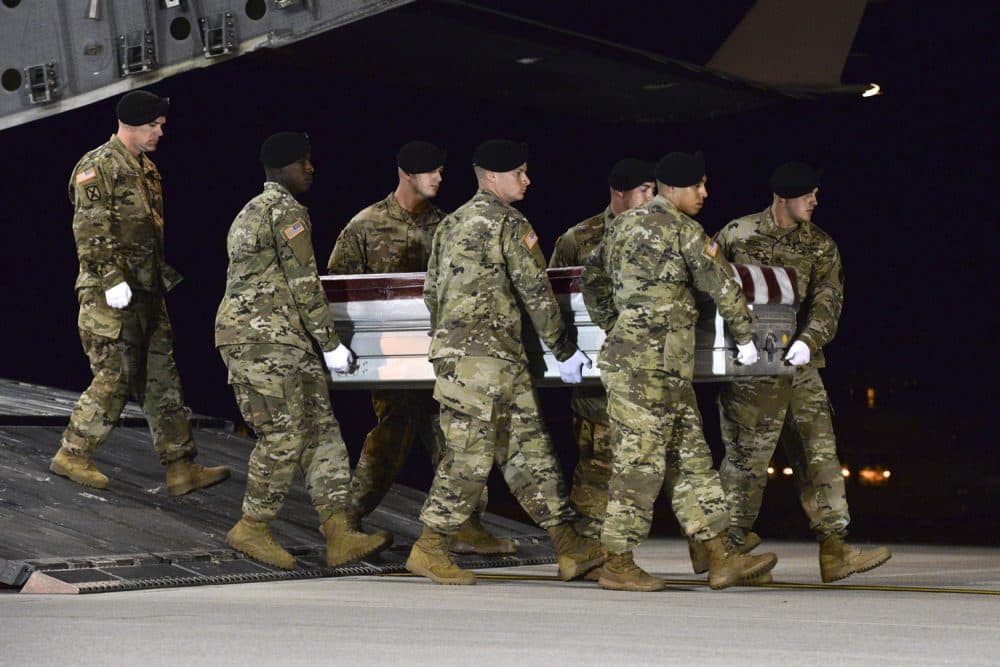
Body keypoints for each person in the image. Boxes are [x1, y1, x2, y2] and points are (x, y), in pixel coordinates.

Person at [406, 139, 602, 585]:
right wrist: (565, 350)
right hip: (485, 360)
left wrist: (451, 341)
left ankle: (569, 546)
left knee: (528, 451)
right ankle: (430, 546)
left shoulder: (450, 225)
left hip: (480, 358)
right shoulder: (509, 223)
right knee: (470, 455)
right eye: (521, 173)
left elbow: (432, 292)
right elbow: (536, 291)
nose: (527, 181)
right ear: (493, 177)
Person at [581, 151, 778, 592]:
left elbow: (590, 277)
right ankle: (616, 560)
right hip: (646, 369)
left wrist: (614, 321)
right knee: (641, 463)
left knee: (693, 460)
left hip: (657, 366)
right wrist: (745, 338)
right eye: (699, 186)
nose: (705, 194)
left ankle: (719, 555)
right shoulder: (685, 231)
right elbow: (723, 284)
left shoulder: (622, 226)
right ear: (675, 188)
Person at [215, 132, 391, 570]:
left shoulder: (249, 211)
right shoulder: (286, 212)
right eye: (304, 162)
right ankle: (252, 526)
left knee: (322, 430)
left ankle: (338, 532)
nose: (311, 168)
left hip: (281, 339)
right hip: (264, 340)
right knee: (283, 433)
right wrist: (331, 345)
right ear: (283, 168)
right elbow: (303, 282)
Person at [327, 141, 512, 555]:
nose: (440, 179)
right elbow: (338, 289)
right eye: (432, 172)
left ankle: (466, 524)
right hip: (391, 357)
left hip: (440, 351)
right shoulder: (365, 225)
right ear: (408, 174)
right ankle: (348, 520)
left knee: (455, 439)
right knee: (391, 437)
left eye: (442, 171)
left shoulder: (446, 226)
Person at [714, 161, 891, 582]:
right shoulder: (736, 235)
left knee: (819, 450)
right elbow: (709, 289)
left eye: (815, 193)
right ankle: (728, 550)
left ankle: (835, 547)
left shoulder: (821, 245)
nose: (815, 201)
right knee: (747, 458)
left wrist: (808, 342)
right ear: (783, 197)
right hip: (750, 367)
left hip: (799, 363)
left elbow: (829, 301)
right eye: (807, 194)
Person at [50, 90, 230, 496]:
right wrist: (112, 280)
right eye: (154, 125)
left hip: (146, 292)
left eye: (161, 126)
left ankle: (180, 466)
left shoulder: (146, 169)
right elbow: (91, 230)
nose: (160, 132)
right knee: (115, 375)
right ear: (132, 125)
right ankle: (73, 453)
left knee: (162, 378)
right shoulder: (98, 166)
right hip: (109, 294)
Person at [548, 158, 655, 546]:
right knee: (598, 463)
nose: (650, 199)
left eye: (654, 190)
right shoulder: (579, 239)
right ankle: (588, 547)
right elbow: (553, 303)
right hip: (597, 375)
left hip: (648, 373)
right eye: (643, 190)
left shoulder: (658, 234)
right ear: (619, 193)